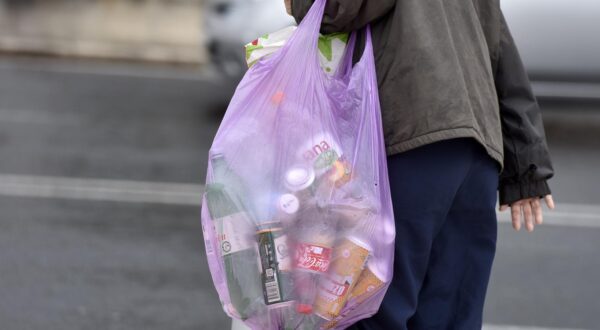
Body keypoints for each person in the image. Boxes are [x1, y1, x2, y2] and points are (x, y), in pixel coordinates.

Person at [287, 0, 556, 329]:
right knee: (451, 314)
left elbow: (340, 8)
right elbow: (498, 44)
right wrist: (525, 163)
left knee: (372, 306)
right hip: (475, 150)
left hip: (410, 139)